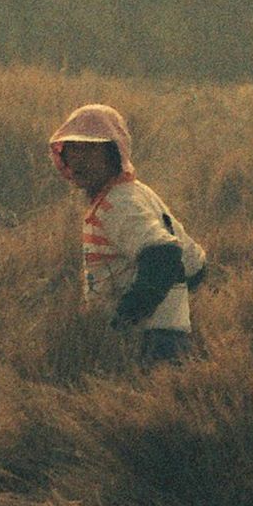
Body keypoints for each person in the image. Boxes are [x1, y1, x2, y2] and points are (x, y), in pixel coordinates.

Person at [54, 101, 208, 367]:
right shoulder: (139, 194)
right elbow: (195, 266)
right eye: (74, 149)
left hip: (146, 342)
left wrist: (126, 316)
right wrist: (173, 307)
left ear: (114, 154)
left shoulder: (118, 204)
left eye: (91, 149)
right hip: (169, 337)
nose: (79, 159)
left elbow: (163, 254)